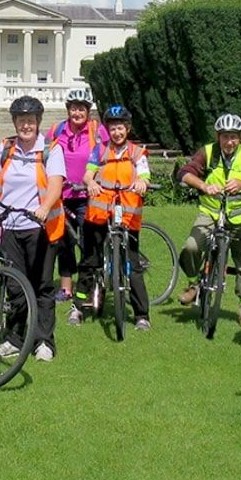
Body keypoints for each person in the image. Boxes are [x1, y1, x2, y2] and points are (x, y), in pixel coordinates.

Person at [0, 95, 65, 361]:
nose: (26, 125)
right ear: (15, 122)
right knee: (15, 287)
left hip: (40, 227)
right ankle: (15, 338)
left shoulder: (51, 149)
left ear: (38, 122)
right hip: (8, 226)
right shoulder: (7, 147)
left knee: (41, 285)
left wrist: (44, 207)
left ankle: (43, 341)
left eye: (30, 121)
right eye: (21, 120)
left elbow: (55, 184)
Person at [175, 113, 241, 329]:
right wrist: (204, 186)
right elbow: (184, 174)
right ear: (218, 137)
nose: (229, 142)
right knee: (191, 246)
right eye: (225, 137)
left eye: (233, 137)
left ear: (240, 137)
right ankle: (194, 283)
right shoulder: (208, 153)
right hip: (212, 213)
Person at [79, 104, 153, 330]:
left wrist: (142, 182)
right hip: (101, 211)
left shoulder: (136, 153)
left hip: (127, 215)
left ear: (127, 129)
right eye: (113, 129)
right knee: (90, 260)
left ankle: (141, 315)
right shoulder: (99, 151)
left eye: (120, 128)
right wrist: (91, 183)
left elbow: (144, 174)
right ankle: (79, 307)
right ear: (107, 130)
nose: (117, 133)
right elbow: (88, 173)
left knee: (133, 264)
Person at [48, 89, 107, 303]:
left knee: (90, 241)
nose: (77, 112)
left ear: (88, 111)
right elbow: (47, 156)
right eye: (73, 108)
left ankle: (91, 284)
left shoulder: (97, 130)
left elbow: (108, 155)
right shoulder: (57, 130)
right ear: (68, 110)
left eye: (81, 108)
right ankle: (66, 288)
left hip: (87, 194)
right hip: (62, 195)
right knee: (63, 243)